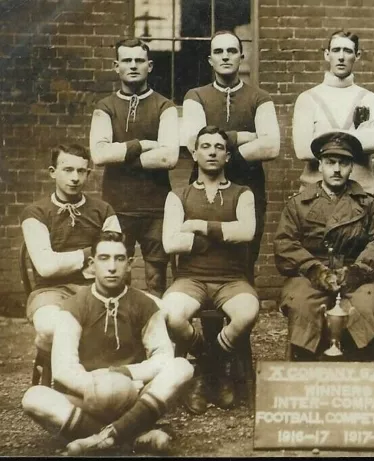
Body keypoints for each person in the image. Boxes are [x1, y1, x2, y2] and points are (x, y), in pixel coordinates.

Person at [21, 231, 193, 455]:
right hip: (86, 396)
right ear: (92, 265)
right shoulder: (72, 307)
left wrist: (125, 374)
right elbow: (64, 368)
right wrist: (99, 387)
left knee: (182, 367)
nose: (112, 267)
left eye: (119, 259)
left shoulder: (145, 304)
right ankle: (132, 435)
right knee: (33, 398)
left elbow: (162, 356)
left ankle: (101, 438)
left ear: (129, 265)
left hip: (133, 393)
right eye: (104, 258)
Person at [162, 126, 259, 415]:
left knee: (247, 313)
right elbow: (170, 242)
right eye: (205, 146)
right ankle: (215, 365)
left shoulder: (243, 194)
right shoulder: (178, 195)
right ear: (194, 153)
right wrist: (217, 237)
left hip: (231, 279)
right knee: (170, 314)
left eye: (219, 147)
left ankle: (205, 370)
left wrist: (199, 226)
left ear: (228, 156)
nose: (212, 151)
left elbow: (247, 232)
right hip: (191, 279)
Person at [274, 131, 374, 361]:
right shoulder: (299, 204)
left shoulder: (368, 205)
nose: (337, 169)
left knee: (367, 306)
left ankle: (364, 377)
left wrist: (355, 272)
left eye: (343, 163)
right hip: (309, 275)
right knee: (302, 305)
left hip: (356, 276)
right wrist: (315, 271)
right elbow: (285, 244)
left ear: (351, 167)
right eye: (330, 162)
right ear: (320, 165)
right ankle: (302, 377)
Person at [182, 30, 280, 283]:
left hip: (249, 185)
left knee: (246, 253)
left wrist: (219, 150)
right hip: (205, 185)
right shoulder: (196, 96)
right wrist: (243, 137)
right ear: (210, 60)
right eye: (219, 51)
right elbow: (193, 142)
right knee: (204, 250)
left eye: (231, 51)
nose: (225, 57)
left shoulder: (260, 98)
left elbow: (271, 146)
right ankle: (208, 320)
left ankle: (241, 314)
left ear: (241, 56)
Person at [20, 144, 121, 385]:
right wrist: (92, 253)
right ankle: (66, 381)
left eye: (81, 171)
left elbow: (114, 259)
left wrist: (69, 261)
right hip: (50, 292)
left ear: (88, 173)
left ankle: (107, 385)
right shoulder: (36, 212)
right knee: (51, 327)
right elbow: (46, 267)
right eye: (67, 170)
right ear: (53, 171)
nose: (75, 178)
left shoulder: (104, 210)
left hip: (97, 291)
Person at [89, 38, 180, 297]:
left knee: (156, 277)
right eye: (126, 60)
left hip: (156, 205)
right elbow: (99, 154)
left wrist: (120, 154)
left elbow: (168, 158)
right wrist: (142, 144)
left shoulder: (165, 106)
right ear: (116, 66)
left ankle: (155, 332)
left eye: (139, 60)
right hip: (117, 205)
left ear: (149, 66)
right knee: (115, 272)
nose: (133, 65)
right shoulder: (105, 107)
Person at [292, 30, 374, 195]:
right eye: (336, 50)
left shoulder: (369, 99)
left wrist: (322, 136)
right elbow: (303, 150)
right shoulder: (307, 98)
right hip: (315, 194)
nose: (341, 57)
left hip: (361, 194)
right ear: (327, 55)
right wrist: (355, 137)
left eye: (348, 51)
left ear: (357, 55)